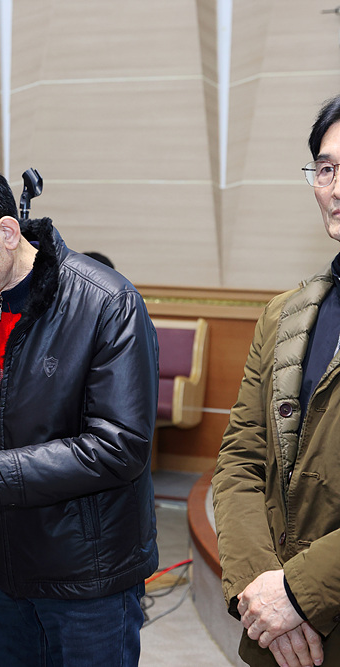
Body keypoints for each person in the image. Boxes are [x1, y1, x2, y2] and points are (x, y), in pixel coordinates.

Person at [0, 158, 159, 666]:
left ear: (7, 233)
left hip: (90, 576)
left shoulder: (106, 303)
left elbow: (120, 448)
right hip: (6, 568)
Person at [211, 95, 340, 667]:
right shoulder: (284, 314)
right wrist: (261, 588)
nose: (335, 188)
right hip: (276, 631)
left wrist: (299, 592)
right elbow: (241, 458)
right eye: (326, 168)